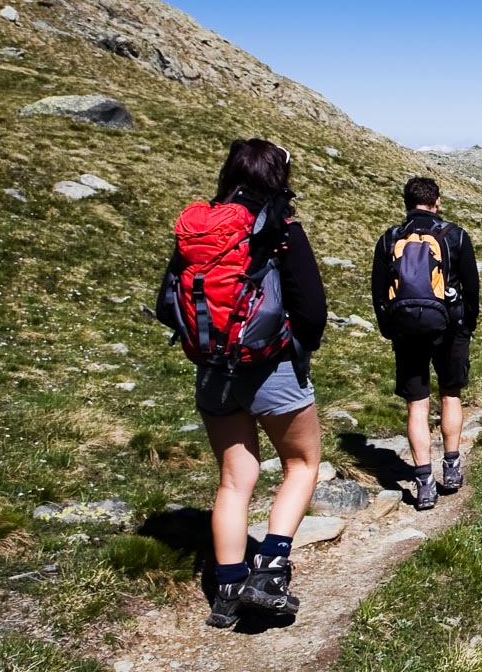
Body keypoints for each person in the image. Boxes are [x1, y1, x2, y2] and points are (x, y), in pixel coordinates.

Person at [156, 138, 326, 629]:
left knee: (234, 480)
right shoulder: (280, 228)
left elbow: (169, 304)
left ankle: (226, 593)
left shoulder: (197, 232)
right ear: (278, 177)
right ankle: (271, 572)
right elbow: (311, 309)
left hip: (213, 372)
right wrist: (298, 346)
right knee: (301, 463)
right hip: (272, 368)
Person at [371, 176, 480, 510]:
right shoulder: (455, 235)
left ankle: (423, 482)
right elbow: (472, 288)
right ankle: (451, 466)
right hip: (450, 326)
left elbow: (378, 291)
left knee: (417, 404)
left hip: (406, 329)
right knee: (451, 394)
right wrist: (467, 326)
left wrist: (388, 328)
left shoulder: (390, 238)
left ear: (407, 202)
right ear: (437, 201)